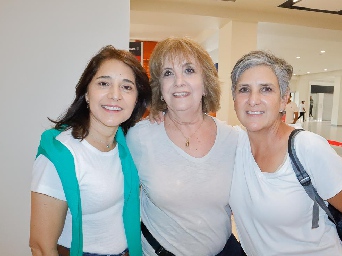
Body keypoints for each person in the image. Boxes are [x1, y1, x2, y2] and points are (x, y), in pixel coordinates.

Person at [229, 50, 342, 256]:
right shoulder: (233, 143)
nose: (253, 100)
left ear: (283, 99)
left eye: (266, 89)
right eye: (244, 89)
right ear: (234, 97)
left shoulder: (307, 148)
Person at [29, 45, 152, 256]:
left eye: (127, 87)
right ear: (86, 93)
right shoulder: (60, 155)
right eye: (104, 83)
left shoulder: (127, 142)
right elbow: (41, 246)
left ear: (136, 99)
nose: (115, 95)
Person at [126, 37, 243, 256]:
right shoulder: (140, 138)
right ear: (160, 88)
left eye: (189, 70)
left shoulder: (234, 139)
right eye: (168, 73)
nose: (179, 81)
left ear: (206, 83)